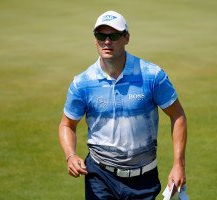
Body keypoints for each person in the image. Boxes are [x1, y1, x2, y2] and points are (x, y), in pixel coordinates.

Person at [59, 10, 187, 200]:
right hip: (100, 176)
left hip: (144, 179)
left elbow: (177, 115)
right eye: (101, 36)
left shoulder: (152, 75)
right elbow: (67, 125)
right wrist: (70, 155)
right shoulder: (82, 83)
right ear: (95, 40)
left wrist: (178, 164)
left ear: (127, 38)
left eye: (114, 35)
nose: (107, 42)